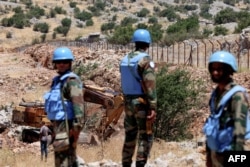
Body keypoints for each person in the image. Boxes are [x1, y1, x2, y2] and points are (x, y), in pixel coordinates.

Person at [203, 50, 249, 167]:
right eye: (213, 69)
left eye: (220, 69)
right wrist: (209, 156)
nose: (215, 72)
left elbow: (239, 132)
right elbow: (213, 125)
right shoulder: (216, 94)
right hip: (216, 151)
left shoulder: (237, 96)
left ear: (229, 70)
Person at [120, 29, 157, 167]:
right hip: (141, 103)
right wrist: (152, 106)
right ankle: (140, 164)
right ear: (148, 43)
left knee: (130, 135)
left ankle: (126, 164)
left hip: (127, 102)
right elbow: (150, 84)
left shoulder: (126, 59)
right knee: (145, 136)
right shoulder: (145, 60)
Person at [43, 47, 84, 167]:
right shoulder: (57, 81)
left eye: (65, 62)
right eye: (59, 62)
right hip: (58, 125)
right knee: (63, 159)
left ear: (70, 63)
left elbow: (79, 106)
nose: (62, 64)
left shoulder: (71, 80)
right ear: (55, 64)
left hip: (67, 125)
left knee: (64, 161)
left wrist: (75, 129)